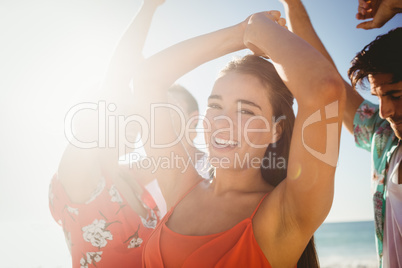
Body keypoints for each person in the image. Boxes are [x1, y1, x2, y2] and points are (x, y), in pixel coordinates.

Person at [131, 8, 345, 267]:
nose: (222, 121)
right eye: (216, 105)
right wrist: (241, 32)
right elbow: (145, 79)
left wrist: (258, 27)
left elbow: (325, 90)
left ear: (275, 130)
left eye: (245, 111)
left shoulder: (284, 214)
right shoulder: (181, 186)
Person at [277, 0, 402, 266]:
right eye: (379, 98)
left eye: (395, 95)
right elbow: (324, 75)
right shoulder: (385, 139)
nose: (385, 111)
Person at [48, 0, 164, 267]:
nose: (135, 123)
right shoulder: (78, 176)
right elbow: (115, 80)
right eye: (123, 113)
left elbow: (185, 158)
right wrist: (148, 9)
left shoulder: (130, 175)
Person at [120, 84, 212, 215]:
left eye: (168, 106)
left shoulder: (215, 170)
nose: (159, 115)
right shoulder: (130, 173)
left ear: (193, 119)